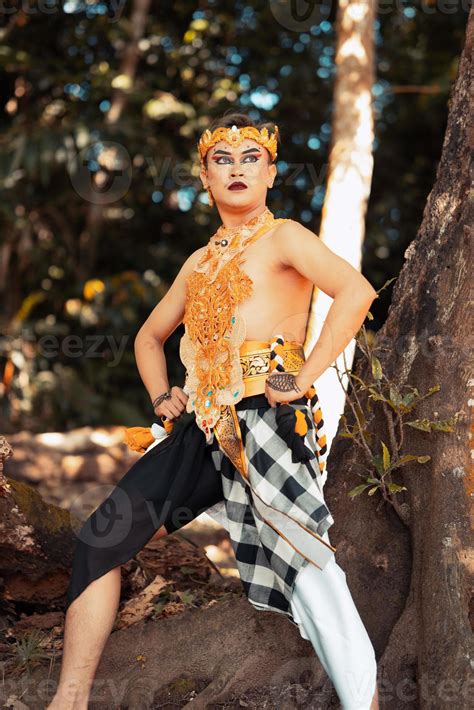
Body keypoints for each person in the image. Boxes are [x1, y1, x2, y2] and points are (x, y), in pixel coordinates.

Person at [47, 112, 379, 710]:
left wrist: (303, 378)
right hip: (201, 427)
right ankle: (67, 703)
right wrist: (161, 395)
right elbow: (149, 338)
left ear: (271, 173)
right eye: (221, 160)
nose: (236, 168)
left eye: (250, 157)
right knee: (102, 537)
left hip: (266, 423)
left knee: (307, 567)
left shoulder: (285, 237)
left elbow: (357, 292)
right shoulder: (198, 263)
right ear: (204, 176)